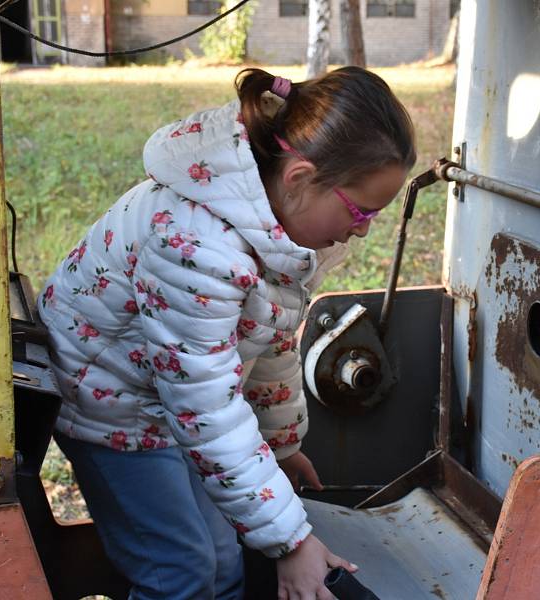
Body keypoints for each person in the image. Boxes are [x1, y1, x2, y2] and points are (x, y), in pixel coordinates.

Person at [37, 66, 416, 599]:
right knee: (180, 573)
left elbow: (272, 341)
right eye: (360, 210)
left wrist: (281, 443)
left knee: (221, 558)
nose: (363, 229)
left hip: (169, 399)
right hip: (110, 402)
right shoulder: (197, 250)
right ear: (301, 179)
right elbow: (207, 407)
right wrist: (291, 542)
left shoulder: (277, 231)